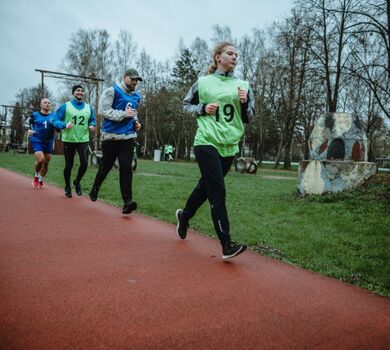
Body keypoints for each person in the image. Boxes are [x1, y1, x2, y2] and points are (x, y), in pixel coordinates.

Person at [176, 42, 255, 260]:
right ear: (218, 57)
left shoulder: (244, 85)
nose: (235, 57)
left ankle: (184, 216)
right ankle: (226, 243)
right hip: (206, 141)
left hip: (229, 145)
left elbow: (250, 116)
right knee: (218, 190)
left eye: (237, 55)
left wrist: (245, 102)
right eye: (230, 53)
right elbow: (185, 105)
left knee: (205, 186)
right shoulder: (203, 83)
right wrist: (202, 108)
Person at [89, 68, 142, 214]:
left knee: (127, 167)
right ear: (124, 77)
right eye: (132, 79)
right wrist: (123, 114)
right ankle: (95, 187)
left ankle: (127, 202)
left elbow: (133, 113)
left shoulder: (137, 96)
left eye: (136, 80)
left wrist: (136, 123)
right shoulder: (112, 91)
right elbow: (102, 110)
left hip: (128, 137)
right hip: (111, 136)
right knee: (106, 166)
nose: (134, 82)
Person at [53, 84, 96, 198]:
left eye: (82, 91)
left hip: (83, 139)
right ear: (73, 93)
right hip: (69, 139)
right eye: (78, 91)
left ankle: (77, 181)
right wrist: (64, 124)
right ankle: (67, 186)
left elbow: (92, 120)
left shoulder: (88, 107)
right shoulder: (65, 106)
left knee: (85, 163)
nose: (80, 92)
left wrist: (92, 125)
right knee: (69, 165)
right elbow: (55, 120)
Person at [27, 98, 56, 189]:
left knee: (46, 162)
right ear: (41, 105)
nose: (47, 104)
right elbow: (27, 124)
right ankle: (36, 176)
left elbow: (58, 126)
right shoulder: (34, 115)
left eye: (49, 103)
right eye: (45, 102)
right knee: (40, 159)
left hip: (49, 141)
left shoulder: (53, 116)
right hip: (37, 140)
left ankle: (40, 179)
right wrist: (29, 130)